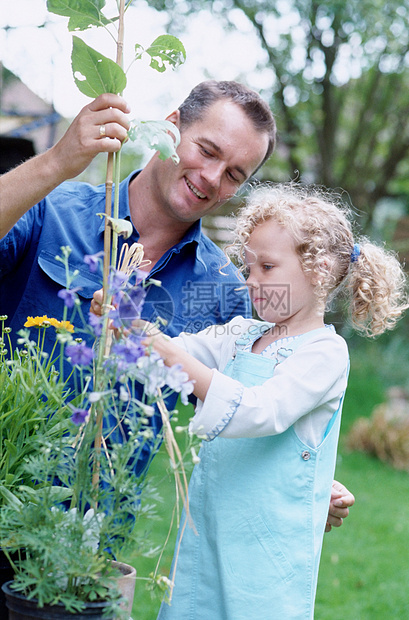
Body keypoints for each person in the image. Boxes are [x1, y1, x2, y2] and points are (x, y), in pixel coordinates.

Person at [0, 80, 353, 524]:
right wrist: (55, 163)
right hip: (6, 479)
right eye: (208, 150)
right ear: (171, 130)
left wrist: (304, 481)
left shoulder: (226, 289)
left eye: (233, 175)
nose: (211, 177)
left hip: (88, 546)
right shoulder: (51, 207)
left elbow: (251, 405)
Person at [138, 182, 408, 620]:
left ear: (318, 271)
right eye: (248, 267)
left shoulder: (323, 352)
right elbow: (180, 353)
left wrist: (164, 351)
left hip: (266, 553)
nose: (252, 281)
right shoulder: (242, 335)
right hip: (208, 531)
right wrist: (132, 331)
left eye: (266, 267)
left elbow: (261, 409)